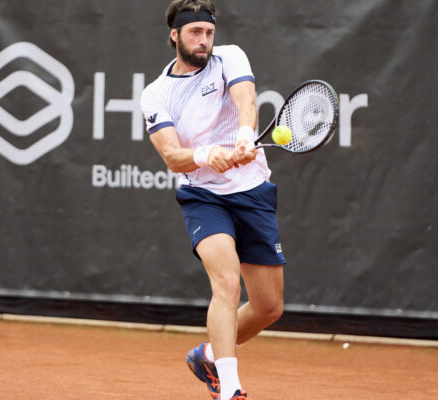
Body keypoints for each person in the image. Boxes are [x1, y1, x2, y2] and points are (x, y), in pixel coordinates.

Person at [140, 1, 285, 399]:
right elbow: (172, 156)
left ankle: (209, 353)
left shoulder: (229, 57)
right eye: (194, 33)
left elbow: (246, 100)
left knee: (269, 307)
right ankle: (230, 388)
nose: (203, 41)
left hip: (253, 191)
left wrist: (243, 134)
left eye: (208, 32)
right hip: (204, 196)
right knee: (226, 283)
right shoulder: (156, 95)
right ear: (175, 35)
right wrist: (206, 155)